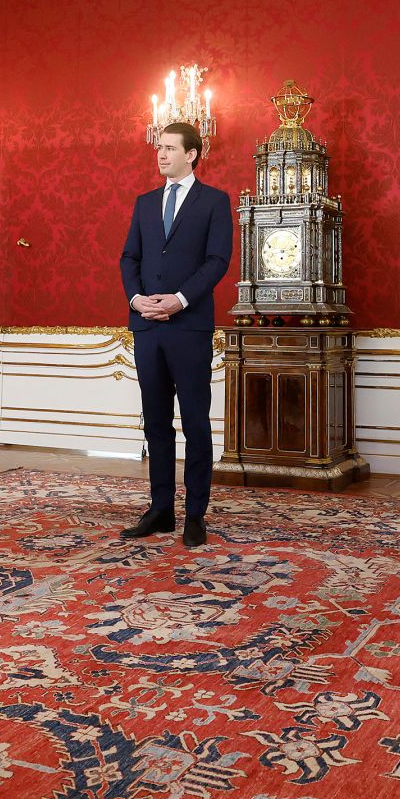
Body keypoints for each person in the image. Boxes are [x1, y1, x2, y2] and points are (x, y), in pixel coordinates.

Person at [118, 121, 233, 548]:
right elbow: (129, 257)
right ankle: (161, 509)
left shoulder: (215, 202)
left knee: (196, 423)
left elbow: (218, 261)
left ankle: (195, 515)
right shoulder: (145, 203)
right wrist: (137, 300)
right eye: (159, 148)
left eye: (169, 148)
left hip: (189, 326)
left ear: (192, 154)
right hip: (147, 326)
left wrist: (180, 299)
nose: (161, 155)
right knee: (157, 424)